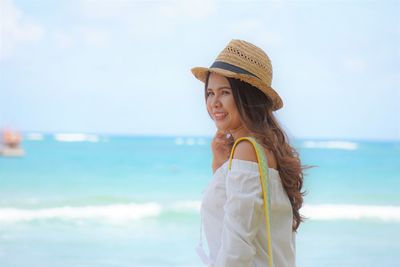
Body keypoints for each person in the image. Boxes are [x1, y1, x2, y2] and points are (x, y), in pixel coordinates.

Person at [191, 39, 308, 267]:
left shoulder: (247, 150)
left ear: (247, 97)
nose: (214, 102)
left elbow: (238, 245)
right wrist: (220, 165)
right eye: (210, 93)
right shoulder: (267, 148)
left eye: (224, 92)